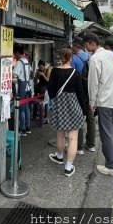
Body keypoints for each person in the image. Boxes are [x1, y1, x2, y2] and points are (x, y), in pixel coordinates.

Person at [84, 33, 113, 178]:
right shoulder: (112, 55)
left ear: (92, 43)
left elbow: (93, 83)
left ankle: (111, 165)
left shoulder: (95, 59)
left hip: (106, 100)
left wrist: (92, 102)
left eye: (86, 45)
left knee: (106, 132)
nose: (86, 48)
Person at [47, 47, 87, 177]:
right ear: (70, 58)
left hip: (60, 106)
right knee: (73, 138)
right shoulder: (75, 73)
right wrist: (84, 110)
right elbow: (80, 94)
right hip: (74, 106)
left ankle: (59, 156)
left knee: (60, 135)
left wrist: (57, 101)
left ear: (60, 57)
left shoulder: (54, 72)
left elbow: (51, 90)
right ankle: (68, 167)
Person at [71, 37, 95, 154]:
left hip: (79, 91)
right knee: (90, 117)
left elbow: (71, 76)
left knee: (78, 116)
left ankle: (79, 147)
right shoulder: (90, 57)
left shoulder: (74, 58)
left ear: (76, 46)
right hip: (89, 90)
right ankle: (91, 144)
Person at [13, 44, 32, 136]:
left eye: (14, 54)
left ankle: (22, 129)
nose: (14, 56)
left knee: (21, 108)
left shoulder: (19, 63)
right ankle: (28, 127)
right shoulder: (27, 61)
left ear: (17, 53)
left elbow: (14, 75)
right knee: (26, 107)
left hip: (22, 86)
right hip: (28, 85)